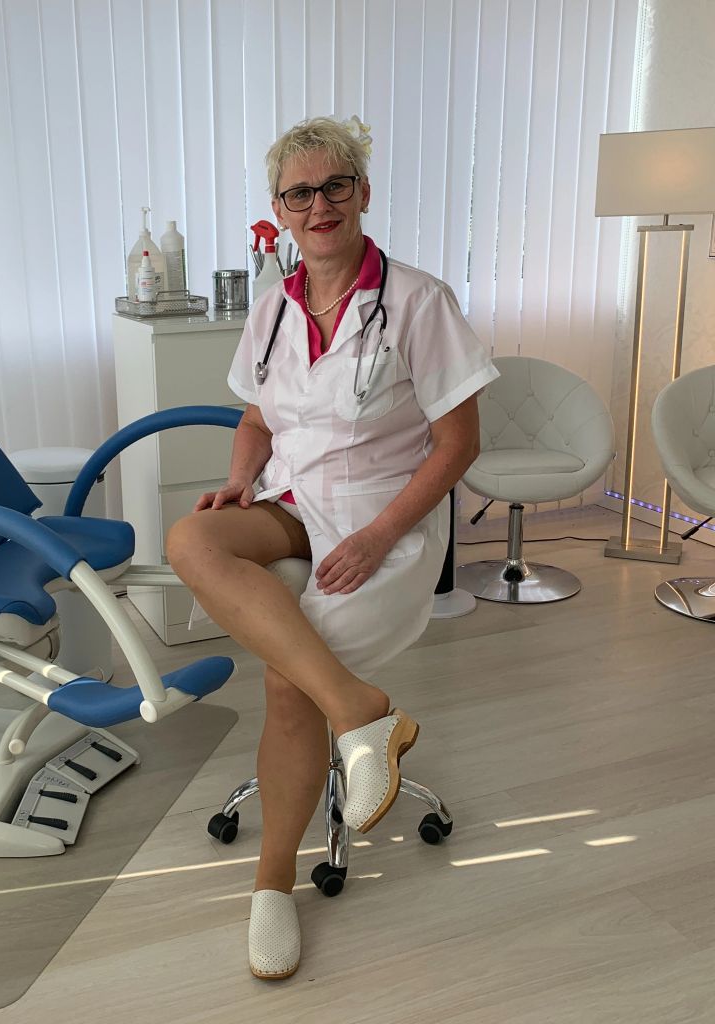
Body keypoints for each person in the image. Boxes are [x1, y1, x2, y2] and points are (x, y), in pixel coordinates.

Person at [166, 116, 498, 981]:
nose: (319, 205)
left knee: (287, 679)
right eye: (299, 193)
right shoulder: (274, 304)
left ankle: (271, 885)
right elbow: (255, 417)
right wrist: (240, 479)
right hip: (288, 498)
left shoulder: (419, 302)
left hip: (384, 519)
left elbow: (459, 444)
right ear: (279, 209)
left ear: (363, 193)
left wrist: (381, 534)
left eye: (335, 186)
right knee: (192, 536)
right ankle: (359, 709)